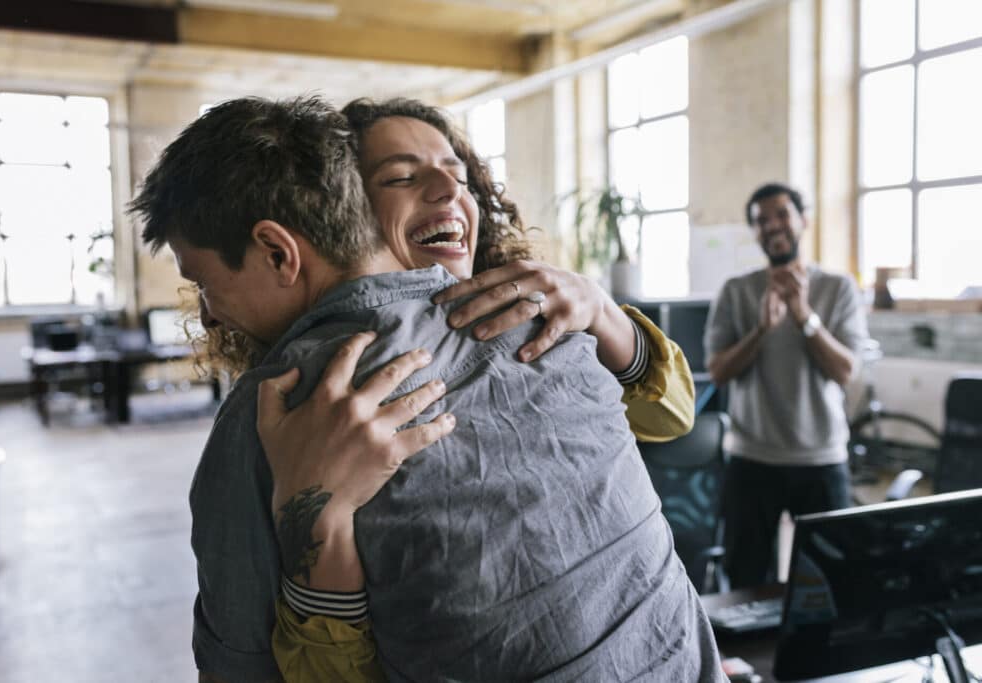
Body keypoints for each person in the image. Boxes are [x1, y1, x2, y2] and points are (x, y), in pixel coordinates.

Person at [132, 96, 721, 682]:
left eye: (459, 175)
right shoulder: (549, 333)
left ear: (280, 248)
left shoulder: (270, 413)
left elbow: (240, 670)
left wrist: (599, 309)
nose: (447, 191)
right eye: (402, 177)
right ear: (349, 205)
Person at [704, 182, 868, 589]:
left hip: (821, 461)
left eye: (781, 215)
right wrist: (762, 329)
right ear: (755, 233)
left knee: (828, 584)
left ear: (803, 221)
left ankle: (813, 655)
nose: (773, 226)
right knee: (744, 581)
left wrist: (804, 317)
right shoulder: (736, 291)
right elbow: (719, 372)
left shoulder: (838, 288)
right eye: (762, 220)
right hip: (751, 459)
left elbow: (845, 372)